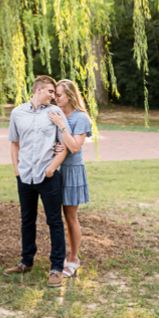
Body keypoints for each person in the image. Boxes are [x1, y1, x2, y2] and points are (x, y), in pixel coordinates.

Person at [4, 75, 68, 287]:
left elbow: (64, 145)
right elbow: (14, 143)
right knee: (27, 220)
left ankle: (57, 268)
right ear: (39, 90)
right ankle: (26, 261)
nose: (54, 96)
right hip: (25, 176)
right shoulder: (17, 113)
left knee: (54, 222)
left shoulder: (56, 113)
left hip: (48, 177)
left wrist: (51, 168)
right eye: (51, 92)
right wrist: (16, 170)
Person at [48, 78, 93, 278]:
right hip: (56, 170)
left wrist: (61, 128)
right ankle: (60, 258)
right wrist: (56, 147)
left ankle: (74, 259)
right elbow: (58, 142)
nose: (55, 98)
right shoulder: (55, 113)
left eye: (59, 95)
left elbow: (74, 147)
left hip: (72, 171)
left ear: (70, 96)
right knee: (56, 218)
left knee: (70, 217)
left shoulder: (80, 118)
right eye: (54, 94)